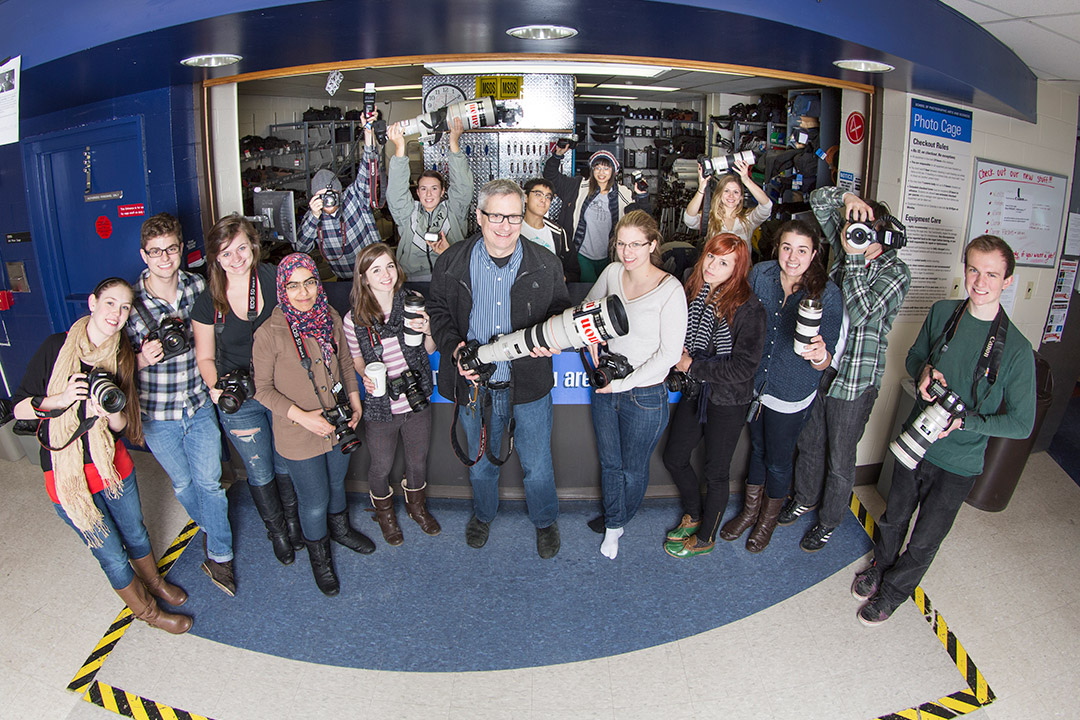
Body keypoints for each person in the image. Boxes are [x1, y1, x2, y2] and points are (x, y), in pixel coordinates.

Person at [855, 235, 1035, 626]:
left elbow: (1022, 423)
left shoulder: (1018, 350)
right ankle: (879, 567)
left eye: (992, 274)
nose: (980, 281)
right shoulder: (943, 313)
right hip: (915, 442)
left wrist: (965, 421)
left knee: (924, 539)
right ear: (965, 268)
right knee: (893, 517)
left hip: (959, 462)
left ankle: (893, 592)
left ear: (1007, 281)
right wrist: (922, 372)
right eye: (973, 269)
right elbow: (913, 356)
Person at [12, 278, 191, 634]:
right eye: (110, 303)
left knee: (136, 534)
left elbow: (122, 424)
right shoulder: (55, 347)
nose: (117, 313)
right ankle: (148, 613)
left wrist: (108, 411)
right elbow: (19, 408)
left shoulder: (122, 353)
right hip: (68, 477)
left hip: (112, 465)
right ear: (92, 302)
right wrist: (60, 400)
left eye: (125, 307)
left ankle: (154, 582)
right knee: (110, 552)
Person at [428, 179, 570, 558]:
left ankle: (544, 519)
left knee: (538, 464)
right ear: (479, 216)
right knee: (479, 463)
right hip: (474, 387)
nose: (505, 226)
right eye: (496, 216)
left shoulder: (546, 263)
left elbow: (559, 311)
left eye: (514, 216)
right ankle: (483, 513)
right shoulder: (451, 261)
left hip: (529, 386)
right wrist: (453, 348)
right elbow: (438, 312)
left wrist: (552, 337)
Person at [780, 188, 911, 551]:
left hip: (855, 381)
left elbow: (864, 309)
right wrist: (852, 199)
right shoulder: (850, 234)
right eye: (858, 228)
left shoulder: (897, 272)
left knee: (840, 459)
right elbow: (819, 199)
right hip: (822, 366)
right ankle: (804, 497)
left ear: (883, 235)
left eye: (868, 230)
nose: (858, 235)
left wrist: (853, 258)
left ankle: (829, 521)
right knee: (809, 443)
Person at [125, 213, 241, 600]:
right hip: (157, 414)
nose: (164, 259)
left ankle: (219, 554)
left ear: (180, 248)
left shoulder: (198, 288)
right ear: (144, 255)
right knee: (184, 484)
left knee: (210, 482)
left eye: (171, 249)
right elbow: (113, 364)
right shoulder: (129, 303)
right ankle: (212, 525)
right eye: (155, 252)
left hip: (198, 402)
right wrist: (141, 359)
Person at [192, 215, 302, 594]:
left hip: (283, 389)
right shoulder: (209, 301)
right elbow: (206, 357)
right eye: (226, 252)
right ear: (216, 258)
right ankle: (278, 534)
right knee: (259, 468)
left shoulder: (274, 279)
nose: (235, 257)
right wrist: (215, 387)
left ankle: (294, 523)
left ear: (253, 246)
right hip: (241, 398)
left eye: (241, 247)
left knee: (288, 460)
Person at [252, 253, 372, 596]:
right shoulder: (269, 333)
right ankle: (321, 561)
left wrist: (354, 399)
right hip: (297, 433)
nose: (303, 292)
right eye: (293, 285)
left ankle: (341, 531)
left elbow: (347, 363)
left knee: (337, 484)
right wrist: (303, 418)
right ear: (282, 288)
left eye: (309, 283)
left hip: (338, 423)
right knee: (315, 500)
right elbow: (261, 390)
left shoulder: (330, 317)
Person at [720, 219, 842, 552]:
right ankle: (749, 511)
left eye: (802, 250)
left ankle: (766, 522)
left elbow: (825, 359)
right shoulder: (761, 274)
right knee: (757, 448)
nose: (792, 257)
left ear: (814, 253)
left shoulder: (827, 294)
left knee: (777, 458)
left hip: (791, 389)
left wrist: (819, 355)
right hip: (756, 382)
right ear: (777, 247)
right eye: (787, 247)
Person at [585, 210, 687, 559]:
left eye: (636, 244)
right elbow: (588, 309)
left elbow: (669, 354)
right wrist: (591, 340)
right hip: (606, 385)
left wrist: (625, 383)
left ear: (653, 244)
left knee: (632, 467)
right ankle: (615, 520)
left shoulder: (670, 290)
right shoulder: (613, 272)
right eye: (622, 244)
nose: (627, 252)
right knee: (610, 462)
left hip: (643, 396)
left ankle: (620, 518)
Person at [662, 233, 766, 558]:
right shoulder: (695, 291)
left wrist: (692, 365)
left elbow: (743, 368)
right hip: (696, 392)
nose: (713, 266)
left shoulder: (750, 308)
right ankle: (693, 514)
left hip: (727, 401)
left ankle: (706, 537)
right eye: (711, 257)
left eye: (724, 263)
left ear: (737, 269)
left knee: (716, 472)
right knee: (674, 457)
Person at [344, 243, 441, 545]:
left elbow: (429, 350)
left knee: (417, 461)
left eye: (389, 266)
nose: (385, 274)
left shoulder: (413, 303)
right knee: (381, 466)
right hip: (380, 405)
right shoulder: (354, 319)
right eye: (376, 269)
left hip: (416, 397)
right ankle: (384, 514)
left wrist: (428, 330)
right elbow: (357, 359)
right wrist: (364, 377)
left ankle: (416, 508)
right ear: (364, 277)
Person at [294, 111, 382, 279]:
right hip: (344, 280)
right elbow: (300, 249)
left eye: (331, 194)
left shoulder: (354, 196)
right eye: (322, 196)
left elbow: (368, 165)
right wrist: (313, 216)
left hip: (373, 272)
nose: (328, 200)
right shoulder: (314, 215)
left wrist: (368, 132)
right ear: (314, 198)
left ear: (339, 192)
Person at [544, 146, 650, 283]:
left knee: (607, 291)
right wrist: (557, 155)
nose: (601, 172)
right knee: (590, 289)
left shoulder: (622, 194)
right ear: (592, 169)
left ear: (614, 171)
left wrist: (643, 197)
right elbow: (551, 176)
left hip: (610, 256)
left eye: (606, 168)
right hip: (581, 254)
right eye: (597, 167)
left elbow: (643, 219)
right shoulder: (578, 186)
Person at [387, 117, 474, 281]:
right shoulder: (408, 213)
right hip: (412, 279)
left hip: (450, 276)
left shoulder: (454, 211)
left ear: (442, 192)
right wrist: (400, 147)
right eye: (423, 189)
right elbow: (396, 192)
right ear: (417, 193)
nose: (428, 194)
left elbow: (463, 186)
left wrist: (453, 142)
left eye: (434, 189)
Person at [682, 158, 773, 252]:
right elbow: (689, 219)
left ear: (741, 197)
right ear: (719, 194)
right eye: (726, 191)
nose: (731, 196)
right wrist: (701, 189)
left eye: (736, 192)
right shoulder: (710, 219)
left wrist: (746, 180)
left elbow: (766, 205)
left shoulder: (748, 220)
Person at [519, 177, 575, 279]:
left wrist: (562, 278)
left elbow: (574, 271)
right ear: (526, 198)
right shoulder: (512, 229)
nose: (543, 200)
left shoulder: (558, 233)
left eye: (548, 197)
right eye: (538, 194)